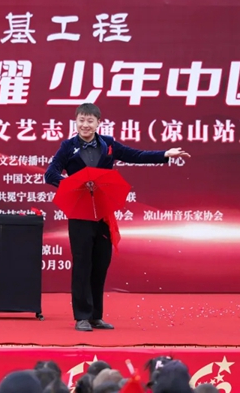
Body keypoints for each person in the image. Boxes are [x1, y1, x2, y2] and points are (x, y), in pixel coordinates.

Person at [44, 103, 190, 331]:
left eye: (90, 121)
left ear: (98, 123)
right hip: (79, 212)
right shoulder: (67, 147)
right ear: (76, 122)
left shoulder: (108, 144)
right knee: (82, 264)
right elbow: (50, 174)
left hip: (103, 212)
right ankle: (82, 316)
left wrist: (164, 155)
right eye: (81, 120)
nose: (85, 125)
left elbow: (136, 155)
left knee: (101, 263)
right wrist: (74, 184)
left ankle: (95, 316)